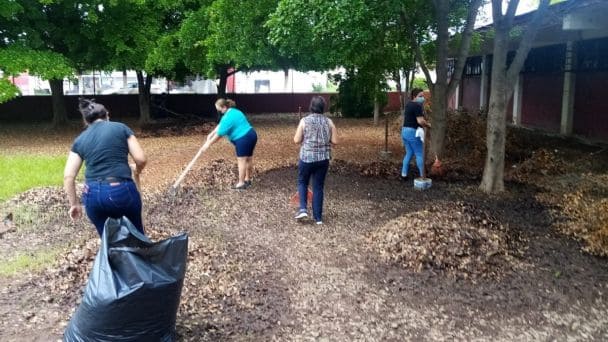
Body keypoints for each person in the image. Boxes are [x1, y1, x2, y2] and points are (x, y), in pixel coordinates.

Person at [63, 98, 147, 236]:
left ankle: (111, 254)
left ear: (86, 121)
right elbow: (140, 159)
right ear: (107, 115)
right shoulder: (121, 128)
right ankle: (140, 250)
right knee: (137, 236)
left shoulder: (80, 140)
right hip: (121, 190)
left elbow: (68, 176)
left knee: (108, 241)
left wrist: (74, 204)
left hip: (93, 196)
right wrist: (137, 170)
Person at [293, 96, 338, 225]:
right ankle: (318, 218)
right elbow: (335, 141)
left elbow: (296, 140)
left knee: (302, 182)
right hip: (323, 159)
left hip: (306, 158)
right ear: (323, 107)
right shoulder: (329, 122)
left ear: (311, 107)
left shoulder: (304, 121)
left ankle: (303, 209)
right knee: (318, 187)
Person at [202, 98, 258, 190]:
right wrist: (210, 134)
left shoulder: (228, 117)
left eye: (219, 110)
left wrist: (208, 144)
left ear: (224, 107)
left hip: (243, 138)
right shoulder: (234, 112)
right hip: (251, 134)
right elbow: (220, 125)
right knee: (248, 158)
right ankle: (247, 179)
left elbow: (220, 134)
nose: (219, 112)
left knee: (242, 160)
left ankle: (241, 183)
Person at [401, 88, 430, 181]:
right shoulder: (417, 106)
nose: (423, 98)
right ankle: (423, 176)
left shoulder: (409, 105)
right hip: (412, 132)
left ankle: (403, 174)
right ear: (414, 97)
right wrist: (428, 125)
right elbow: (420, 121)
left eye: (423, 96)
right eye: (420, 96)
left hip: (404, 131)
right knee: (419, 153)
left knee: (409, 153)